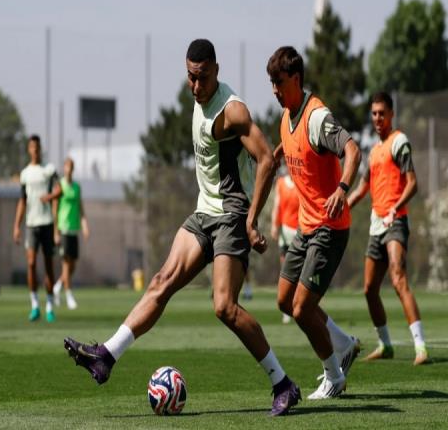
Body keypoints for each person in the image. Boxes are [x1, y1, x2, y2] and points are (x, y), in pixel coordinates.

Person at [64, 39, 300, 416]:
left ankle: (282, 383)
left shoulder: (231, 111)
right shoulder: (196, 95)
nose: (195, 85)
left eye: (203, 77)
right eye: (190, 77)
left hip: (231, 214)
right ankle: (106, 356)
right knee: (161, 281)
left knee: (224, 307)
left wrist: (252, 219)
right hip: (204, 211)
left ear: (216, 71)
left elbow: (267, 160)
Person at [266, 46, 361, 399]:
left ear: (295, 79)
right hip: (306, 227)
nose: (274, 90)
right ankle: (344, 344)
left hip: (329, 227)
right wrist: (277, 153)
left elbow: (353, 151)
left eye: (278, 82)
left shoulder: (317, 117)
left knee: (302, 308)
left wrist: (342, 189)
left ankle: (334, 376)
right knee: (284, 300)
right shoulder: (286, 117)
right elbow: (292, 144)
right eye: (271, 83)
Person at [347, 92, 429, 366]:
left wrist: (396, 207)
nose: (377, 118)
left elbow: (412, 183)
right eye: (374, 113)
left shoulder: (399, 142)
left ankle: (421, 347)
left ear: (391, 114)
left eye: (382, 113)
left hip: (396, 221)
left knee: (398, 278)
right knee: (369, 289)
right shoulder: (373, 151)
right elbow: (362, 188)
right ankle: (385, 344)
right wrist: (343, 204)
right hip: (376, 224)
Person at [13, 134, 58, 323]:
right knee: (31, 263)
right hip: (31, 224)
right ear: (29, 149)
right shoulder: (25, 174)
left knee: (48, 265)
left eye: (38, 147)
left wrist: (50, 197)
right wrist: (16, 225)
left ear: (40, 149)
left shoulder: (49, 170)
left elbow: (59, 189)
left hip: (47, 223)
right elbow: (22, 200)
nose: (35, 150)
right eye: (32, 147)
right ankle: (34, 305)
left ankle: (50, 306)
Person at [42, 157, 89, 310]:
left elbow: (81, 208)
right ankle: (69, 296)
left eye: (71, 167)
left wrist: (85, 225)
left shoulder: (76, 187)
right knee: (66, 265)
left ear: (73, 169)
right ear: (64, 168)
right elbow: (55, 208)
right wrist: (56, 231)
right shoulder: (60, 185)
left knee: (72, 265)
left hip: (74, 229)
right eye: (67, 167)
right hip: (63, 229)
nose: (69, 169)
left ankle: (57, 286)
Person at [270, 168, 299, 324]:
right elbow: (277, 205)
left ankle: (301, 304)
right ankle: (287, 308)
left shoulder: (301, 182)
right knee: (285, 270)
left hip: (300, 231)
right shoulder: (281, 183)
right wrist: (274, 225)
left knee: (301, 272)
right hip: (285, 232)